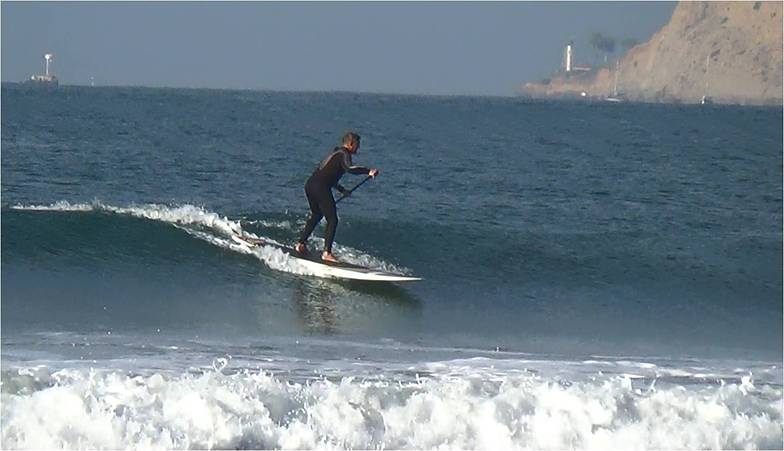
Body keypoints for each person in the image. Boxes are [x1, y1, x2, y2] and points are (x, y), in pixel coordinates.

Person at [295, 132, 379, 262]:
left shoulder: (335, 153)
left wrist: (342, 190)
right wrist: (368, 171)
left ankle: (300, 244)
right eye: (357, 145)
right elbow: (349, 168)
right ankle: (326, 253)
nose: (358, 148)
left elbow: (328, 175)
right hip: (320, 187)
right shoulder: (344, 154)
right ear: (351, 144)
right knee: (332, 219)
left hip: (310, 185)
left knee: (317, 215)